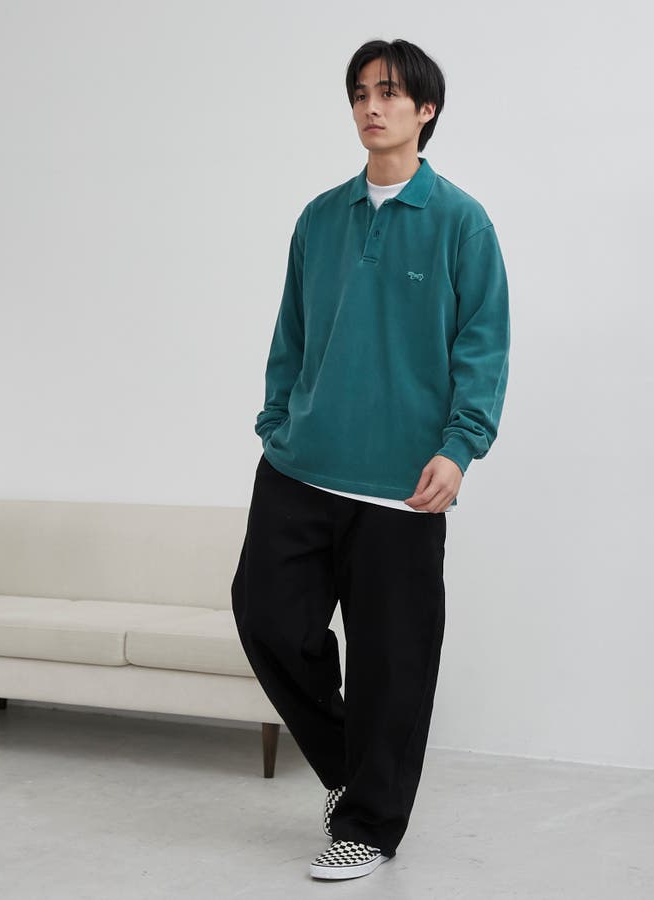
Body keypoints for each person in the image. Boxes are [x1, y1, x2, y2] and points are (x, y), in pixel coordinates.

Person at [231, 37, 510, 881]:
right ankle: (355, 774)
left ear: (426, 110)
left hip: (402, 486)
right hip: (301, 466)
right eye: (359, 93)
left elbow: (483, 345)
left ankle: (370, 826)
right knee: (267, 618)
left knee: (393, 662)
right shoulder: (320, 218)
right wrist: (277, 420)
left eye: (388, 93)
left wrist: (460, 448)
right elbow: (291, 332)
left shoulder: (461, 221)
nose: (370, 107)